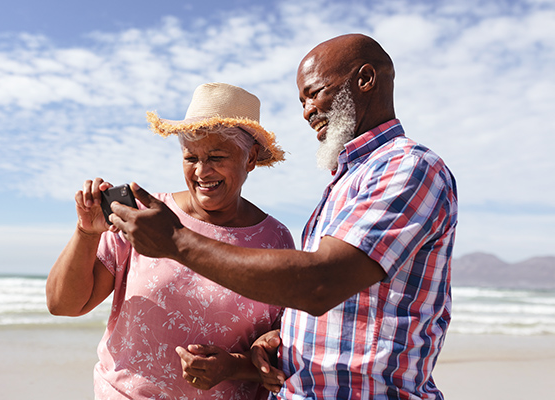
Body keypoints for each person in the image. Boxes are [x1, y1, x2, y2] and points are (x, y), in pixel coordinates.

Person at [108, 34, 458, 400]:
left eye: (314, 92)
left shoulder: (407, 168)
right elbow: (345, 312)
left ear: (365, 80)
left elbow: (321, 284)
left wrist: (176, 241)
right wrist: (278, 340)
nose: (307, 111)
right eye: (301, 100)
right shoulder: (349, 180)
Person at [46, 82, 295, 399]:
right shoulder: (145, 217)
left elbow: (282, 342)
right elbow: (63, 304)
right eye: (191, 157)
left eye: (216, 156)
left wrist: (235, 364)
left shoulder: (275, 239)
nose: (202, 171)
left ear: (250, 157)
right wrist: (85, 233)